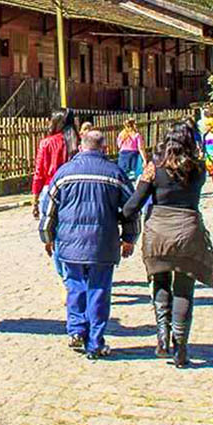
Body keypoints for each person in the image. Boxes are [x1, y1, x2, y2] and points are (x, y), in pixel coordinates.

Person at [121, 121, 213, 368]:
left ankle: (162, 336)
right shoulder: (198, 168)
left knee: (161, 282)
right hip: (188, 230)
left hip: (159, 232)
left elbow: (134, 204)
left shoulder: (154, 169)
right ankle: (181, 347)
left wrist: (116, 218)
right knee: (184, 288)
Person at [38, 130, 138, 360]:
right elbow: (131, 209)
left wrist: (47, 236)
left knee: (75, 287)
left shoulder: (65, 173)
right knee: (99, 291)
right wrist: (129, 238)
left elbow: (49, 208)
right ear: (104, 148)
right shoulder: (116, 173)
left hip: (70, 243)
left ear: (81, 147)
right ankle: (95, 342)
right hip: (103, 243)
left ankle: (76, 329)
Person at [32, 111, 71, 220]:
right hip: (72, 188)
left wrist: (35, 200)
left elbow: (39, 173)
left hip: (50, 188)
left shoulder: (46, 143)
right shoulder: (76, 143)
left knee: (48, 229)